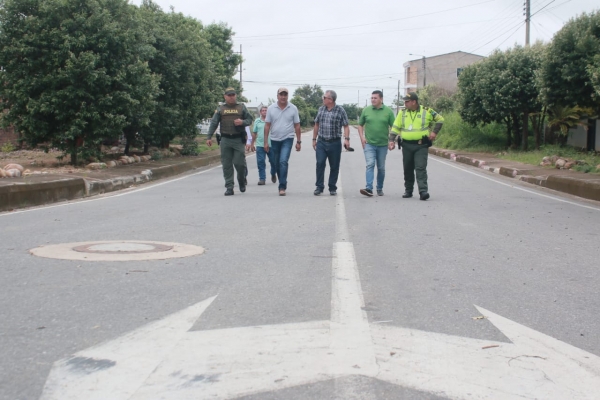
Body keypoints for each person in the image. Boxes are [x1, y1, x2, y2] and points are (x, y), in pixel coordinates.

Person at [389, 92, 444, 200]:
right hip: (407, 145)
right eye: (404, 101)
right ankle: (408, 190)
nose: (405, 104)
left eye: (407, 101)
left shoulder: (427, 111)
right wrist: (391, 140)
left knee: (420, 168)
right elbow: (395, 127)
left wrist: (434, 132)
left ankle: (423, 191)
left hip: (421, 145)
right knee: (408, 169)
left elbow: (440, 119)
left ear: (414, 102)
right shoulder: (402, 113)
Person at [206, 87, 253, 196]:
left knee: (239, 163)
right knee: (226, 164)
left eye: (233, 95)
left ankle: (241, 181)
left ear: (235, 95)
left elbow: (249, 120)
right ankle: (229, 187)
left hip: (238, 139)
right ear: (225, 96)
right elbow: (214, 123)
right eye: (229, 95)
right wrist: (209, 137)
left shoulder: (241, 107)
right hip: (225, 139)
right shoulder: (220, 109)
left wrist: (242, 122)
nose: (231, 97)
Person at [264, 88, 302, 196]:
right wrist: (265, 142)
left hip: (288, 138)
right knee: (276, 164)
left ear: (287, 96)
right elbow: (267, 125)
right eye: (281, 95)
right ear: (277, 96)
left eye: (285, 95)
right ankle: (282, 180)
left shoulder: (293, 108)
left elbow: (297, 125)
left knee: (283, 161)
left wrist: (299, 141)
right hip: (275, 139)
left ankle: (282, 186)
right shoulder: (271, 108)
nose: (283, 97)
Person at [357, 90, 395, 197]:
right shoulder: (366, 110)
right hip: (369, 144)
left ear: (381, 99)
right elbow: (360, 125)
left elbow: (394, 127)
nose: (373, 100)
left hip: (383, 144)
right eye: (372, 98)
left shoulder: (388, 111)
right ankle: (369, 188)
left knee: (381, 167)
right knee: (370, 164)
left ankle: (379, 188)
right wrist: (362, 138)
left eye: (375, 98)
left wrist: (392, 140)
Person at [312, 90, 349, 196]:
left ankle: (332, 187)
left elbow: (346, 125)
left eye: (324, 97)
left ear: (330, 100)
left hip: (335, 143)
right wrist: (314, 139)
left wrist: (347, 139)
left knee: (334, 166)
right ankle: (319, 187)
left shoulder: (340, 110)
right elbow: (316, 124)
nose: (323, 99)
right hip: (322, 142)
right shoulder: (321, 109)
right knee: (320, 164)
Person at [251, 106, 275, 185]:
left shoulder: (272, 120)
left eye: (266, 110)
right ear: (260, 112)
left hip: (271, 144)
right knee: (260, 162)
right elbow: (254, 133)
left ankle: (273, 173)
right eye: (263, 110)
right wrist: (252, 143)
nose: (264, 112)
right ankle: (262, 179)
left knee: (273, 161)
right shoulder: (257, 121)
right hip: (260, 144)